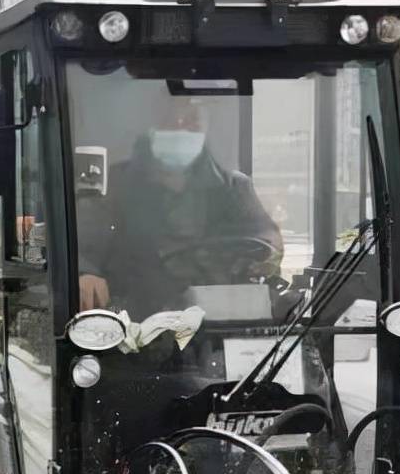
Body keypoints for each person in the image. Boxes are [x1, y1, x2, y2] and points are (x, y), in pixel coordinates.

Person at [77, 98, 282, 317]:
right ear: (152, 127)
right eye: (172, 121)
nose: (181, 128)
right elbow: (86, 234)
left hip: (219, 318)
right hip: (140, 320)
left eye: (192, 122)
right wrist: (85, 272)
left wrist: (260, 262)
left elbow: (267, 241)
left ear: (205, 129)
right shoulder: (118, 182)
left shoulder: (235, 188)